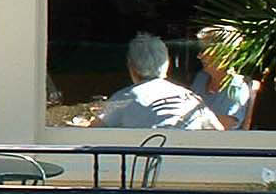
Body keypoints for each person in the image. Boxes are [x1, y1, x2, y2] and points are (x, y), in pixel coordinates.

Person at [71, 33, 223, 130]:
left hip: (144, 170)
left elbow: (94, 133)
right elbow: (219, 134)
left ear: (131, 66)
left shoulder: (124, 98)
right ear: (168, 63)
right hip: (189, 169)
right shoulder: (189, 97)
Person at [190, 28, 254, 131]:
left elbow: (223, 126)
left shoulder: (238, 86)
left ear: (223, 54)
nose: (199, 56)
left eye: (204, 50)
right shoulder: (200, 78)